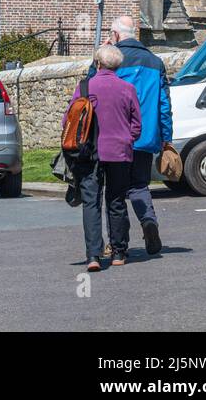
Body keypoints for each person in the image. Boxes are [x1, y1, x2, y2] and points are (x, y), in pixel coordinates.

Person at [101, 15, 173, 256]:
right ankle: (149, 222)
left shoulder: (112, 61)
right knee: (140, 185)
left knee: (116, 192)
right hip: (146, 135)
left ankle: (117, 242)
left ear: (116, 35)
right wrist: (166, 137)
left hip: (118, 136)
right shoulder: (155, 62)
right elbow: (164, 104)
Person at [67, 44, 142, 270]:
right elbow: (137, 126)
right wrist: (126, 139)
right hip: (119, 153)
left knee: (91, 203)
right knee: (116, 201)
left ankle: (93, 256)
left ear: (97, 63)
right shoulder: (127, 89)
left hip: (89, 154)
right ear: (117, 66)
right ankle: (118, 252)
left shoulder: (84, 87)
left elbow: (68, 122)